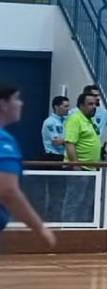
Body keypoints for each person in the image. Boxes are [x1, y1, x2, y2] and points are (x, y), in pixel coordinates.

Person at [0, 86, 56, 249]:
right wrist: (39, 228)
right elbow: (8, 191)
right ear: (3, 104)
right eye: (16, 98)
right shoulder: (3, 141)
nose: (21, 104)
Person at [61, 92, 103, 223]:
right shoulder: (75, 119)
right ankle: (67, 230)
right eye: (90, 104)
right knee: (74, 202)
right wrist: (75, 164)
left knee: (87, 203)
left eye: (95, 104)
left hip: (92, 169)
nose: (94, 107)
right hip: (80, 169)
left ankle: (83, 231)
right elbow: (70, 143)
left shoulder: (91, 119)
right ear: (81, 105)